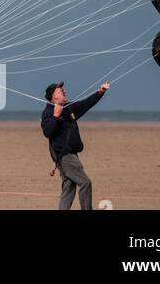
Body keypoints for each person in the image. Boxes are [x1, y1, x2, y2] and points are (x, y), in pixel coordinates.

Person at [41, 80, 109, 210]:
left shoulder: (69, 108)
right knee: (85, 183)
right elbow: (47, 132)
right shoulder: (48, 112)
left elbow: (86, 104)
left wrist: (100, 92)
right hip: (66, 157)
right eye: (60, 91)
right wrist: (56, 115)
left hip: (71, 156)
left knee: (68, 189)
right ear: (54, 97)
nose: (64, 91)